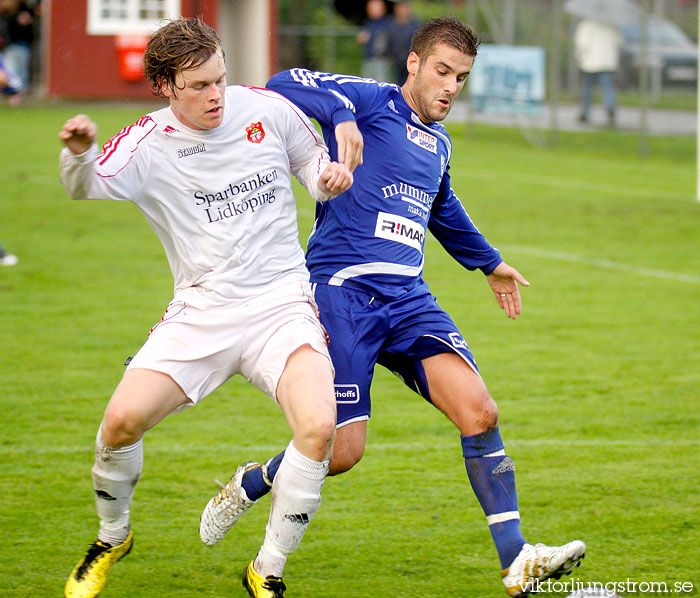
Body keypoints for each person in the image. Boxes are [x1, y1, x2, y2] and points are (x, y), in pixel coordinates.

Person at [199, 15, 586, 597]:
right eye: (442, 71)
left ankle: (517, 560)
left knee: (480, 413)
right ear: (414, 63)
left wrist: (490, 263)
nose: (451, 86)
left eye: (461, 77)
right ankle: (256, 481)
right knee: (341, 452)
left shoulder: (439, 143)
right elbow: (281, 81)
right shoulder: (370, 100)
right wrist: (342, 114)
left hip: (409, 299)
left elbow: (443, 210)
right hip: (343, 293)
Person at [59, 17, 352, 598]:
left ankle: (266, 571)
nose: (216, 95)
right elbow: (85, 184)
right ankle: (112, 535)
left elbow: (312, 167)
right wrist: (79, 152)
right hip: (202, 312)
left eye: (220, 79)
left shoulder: (266, 110)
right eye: (198, 86)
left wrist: (329, 177)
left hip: (280, 304)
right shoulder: (146, 142)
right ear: (165, 86)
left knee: (319, 431)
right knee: (119, 424)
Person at [574, 18, 623, 127]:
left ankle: (585, 112)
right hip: (608, 62)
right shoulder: (612, 24)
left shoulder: (586, 24)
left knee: (587, 88)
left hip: (590, 62)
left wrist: (579, 58)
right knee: (608, 88)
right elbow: (619, 42)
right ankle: (610, 108)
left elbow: (582, 44)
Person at [386, 0, 421, 84]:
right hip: (395, 63)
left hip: (411, 61)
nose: (403, 10)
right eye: (400, 7)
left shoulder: (416, 24)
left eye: (405, 7)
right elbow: (388, 42)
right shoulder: (390, 25)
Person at [356, 0, 391, 81]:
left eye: (374, 7)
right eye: (370, 7)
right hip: (368, 58)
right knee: (368, 83)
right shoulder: (368, 23)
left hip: (381, 59)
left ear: (382, 9)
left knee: (381, 84)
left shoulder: (387, 23)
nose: (371, 9)